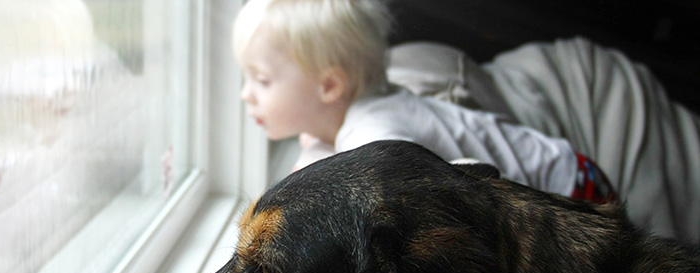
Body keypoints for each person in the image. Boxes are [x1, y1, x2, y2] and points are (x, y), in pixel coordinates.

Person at [232, 0, 616, 203]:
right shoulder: (365, 105)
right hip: (573, 166)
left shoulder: (375, 133)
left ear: (330, 86)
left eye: (262, 80)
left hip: (575, 191)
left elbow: (450, 189)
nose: (245, 94)